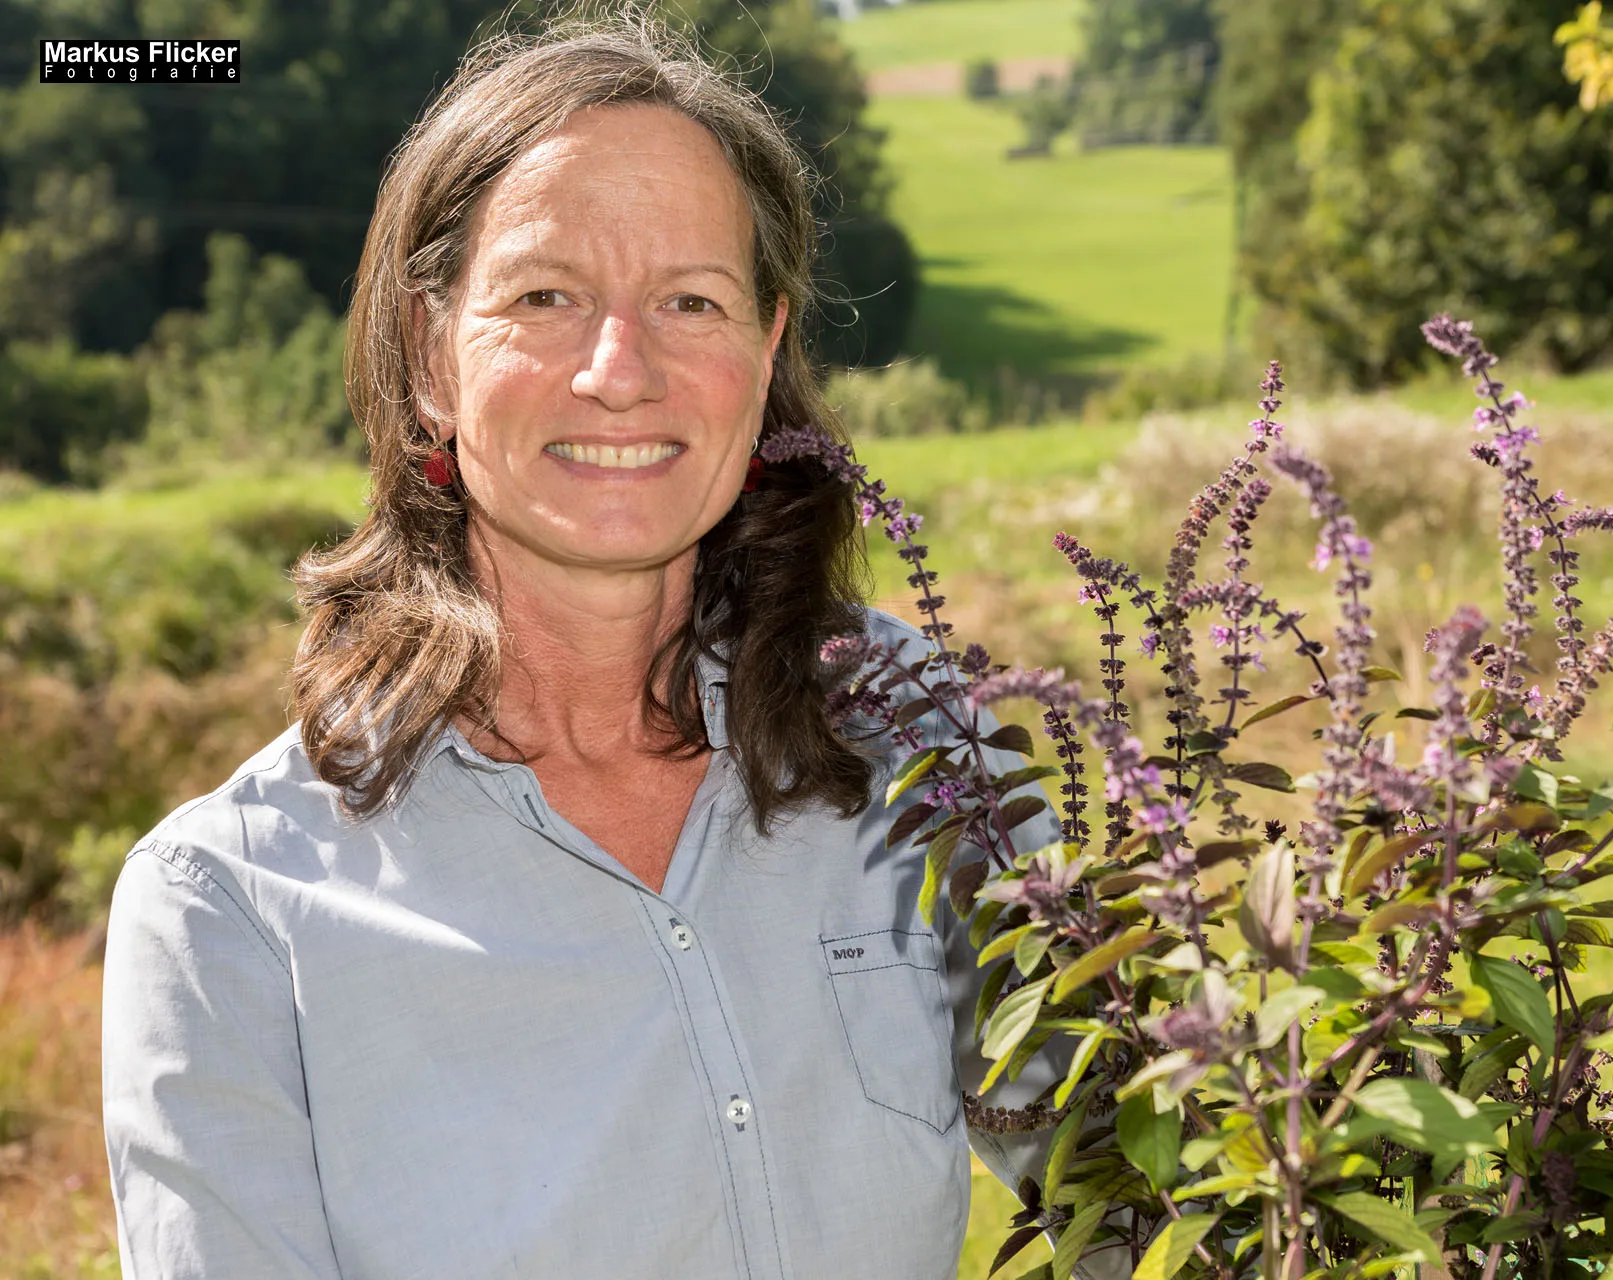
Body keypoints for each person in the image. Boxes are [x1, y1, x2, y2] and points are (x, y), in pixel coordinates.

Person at [99, 9, 1103, 1278]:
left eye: (692, 299)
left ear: (766, 348)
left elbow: (1142, 1185)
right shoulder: (231, 915)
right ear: (429, 358)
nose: (621, 370)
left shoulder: (914, 731)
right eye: (545, 296)